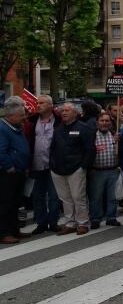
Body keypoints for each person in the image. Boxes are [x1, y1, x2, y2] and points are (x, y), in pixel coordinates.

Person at [50, 102, 96, 235]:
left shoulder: (83, 128)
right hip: (57, 169)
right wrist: (52, 164)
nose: (64, 113)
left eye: (67, 110)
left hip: (76, 168)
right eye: (63, 111)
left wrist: (83, 166)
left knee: (78, 197)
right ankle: (70, 223)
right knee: (65, 198)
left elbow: (90, 149)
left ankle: (82, 223)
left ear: (75, 113)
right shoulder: (58, 128)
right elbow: (52, 148)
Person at [24, 94, 61, 234]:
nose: (38, 105)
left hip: (53, 165)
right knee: (37, 196)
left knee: (54, 196)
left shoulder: (58, 121)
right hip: (36, 165)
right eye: (37, 103)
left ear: (50, 106)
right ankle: (41, 223)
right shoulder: (32, 121)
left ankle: (53, 222)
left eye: (42, 103)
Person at [0, 97, 31, 244]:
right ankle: (4, 233)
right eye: (21, 115)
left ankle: (14, 230)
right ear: (11, 116)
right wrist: (10, 167)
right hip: (7, 173)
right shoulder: (2, 128)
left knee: (15, 202)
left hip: (18, 172)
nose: (24, 117)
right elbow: (1, 151)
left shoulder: (16, 127)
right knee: (5, 203)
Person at [88, 111, 121, 229]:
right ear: (97, 123)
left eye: (107, 121)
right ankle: (95, 218)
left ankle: (111, 217)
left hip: (113, 170)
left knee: (112, 196)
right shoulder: (92, 136)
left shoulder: (115, 135)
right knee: (96, 197)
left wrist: (119, 141)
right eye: (102, 120)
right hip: (97, 171)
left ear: (111, 123)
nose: (104, 123)